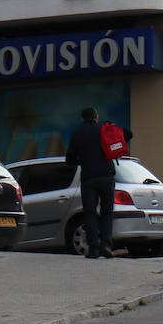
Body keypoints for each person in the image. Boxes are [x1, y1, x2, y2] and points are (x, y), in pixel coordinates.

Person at [64, 107, 131, 259]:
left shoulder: (77, 133)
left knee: (90, 213)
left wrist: (82, 160)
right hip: (107, 176)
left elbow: (69, 160)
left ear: (82, 119)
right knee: (107, 212)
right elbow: (129, 134)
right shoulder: (104, 129)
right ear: (96, 117)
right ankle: (106, 245)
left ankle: (94, 248)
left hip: (88, 179)